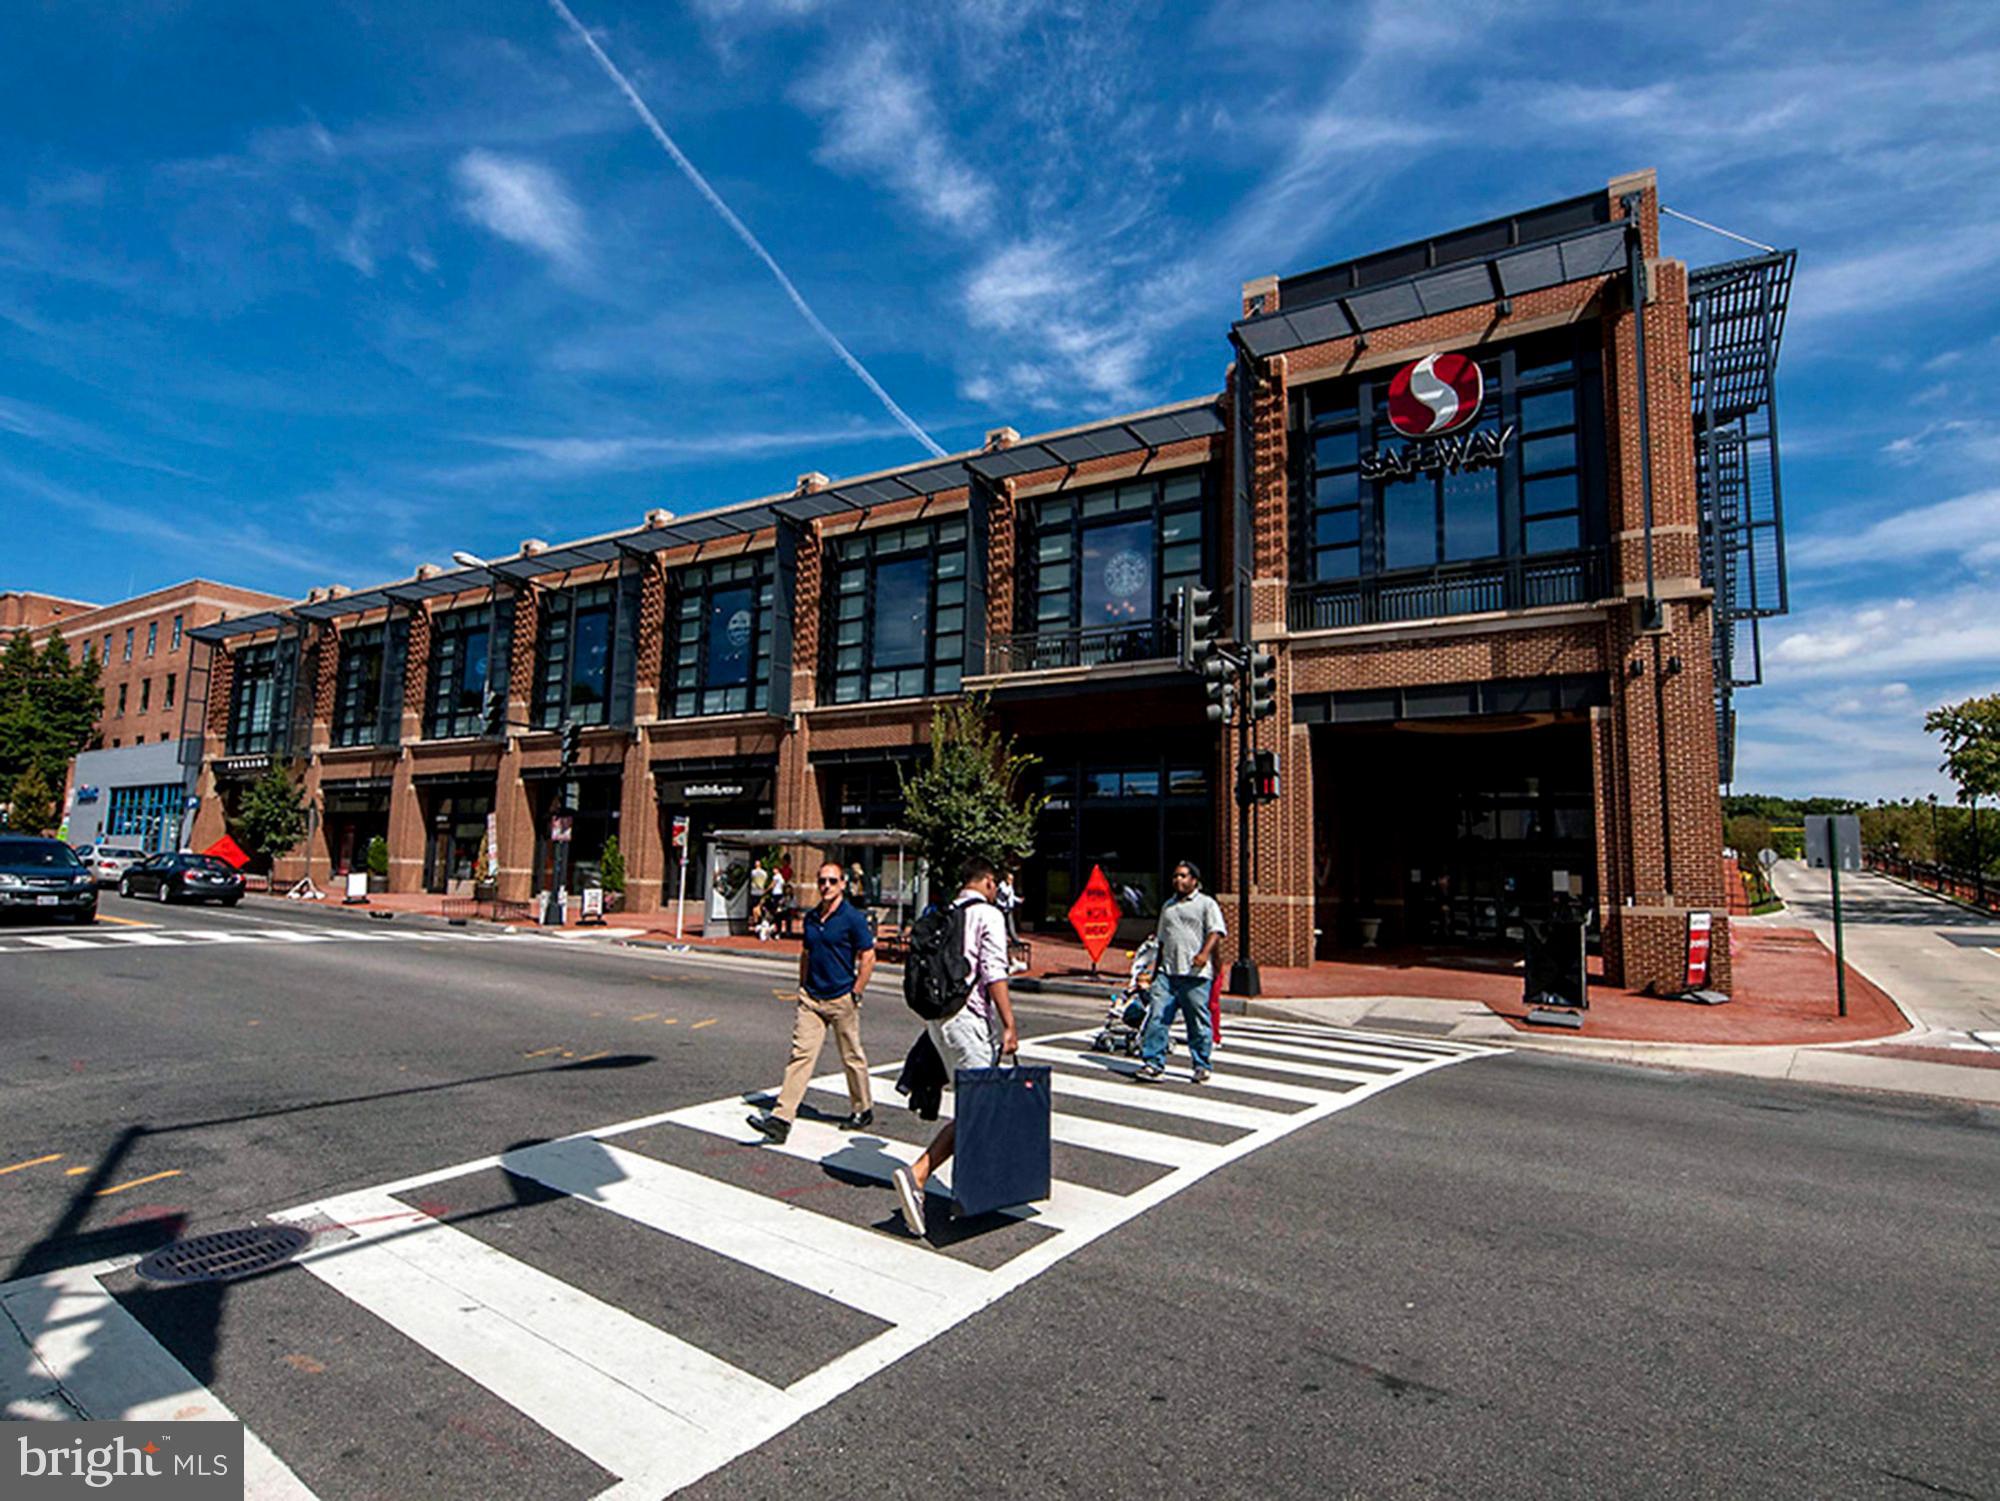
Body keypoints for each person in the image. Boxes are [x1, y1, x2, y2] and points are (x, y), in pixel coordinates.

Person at [890, 857, 1018, 1238]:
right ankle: (918, 1176)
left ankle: (980, 1186)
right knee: (981, 1109)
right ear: (990, 883)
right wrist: (1009, 1024)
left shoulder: (945, 912)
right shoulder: (988, 915)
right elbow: (994, 971)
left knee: (976, 1105)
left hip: (939, 1021)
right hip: (968, 1021)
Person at [748, 861, 876, 1144]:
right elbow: (806, 953)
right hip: (812, 999)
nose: (826, 886)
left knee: (851, 1056)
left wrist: (856, 991)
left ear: (843, 884)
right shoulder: (811, 918)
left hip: (841, 997)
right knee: (800, 1056)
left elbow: (868, 956)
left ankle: (862, 1108)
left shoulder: (852, 918)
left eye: (832, 881)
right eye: (822, 881)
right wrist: (802, 986)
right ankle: (781, 1120)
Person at [1134, 859, 1226, 1084]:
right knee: (1157, 1017)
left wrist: (1204, 955)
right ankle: (1153, 1063)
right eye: (1176, 876)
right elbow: (1162, 941)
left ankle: (1201, 1064)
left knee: (1197, 1022)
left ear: (1194, 880)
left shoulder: (1207, 904)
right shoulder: (1168, 907)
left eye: (1183, 876)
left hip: (1195, 975)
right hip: (1167, 973)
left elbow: (1216, 932)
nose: (1178, 879)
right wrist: (1155, 972)